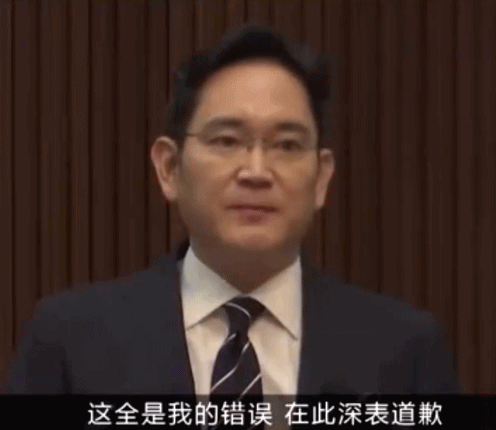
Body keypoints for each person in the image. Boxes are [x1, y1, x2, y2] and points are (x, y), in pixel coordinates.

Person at [2, 24, 457, 403]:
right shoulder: (71, 341)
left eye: (287, 145)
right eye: (226, 141)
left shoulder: (404, 351)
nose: (256, 171)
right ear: (169, 168)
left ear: (321, 178)